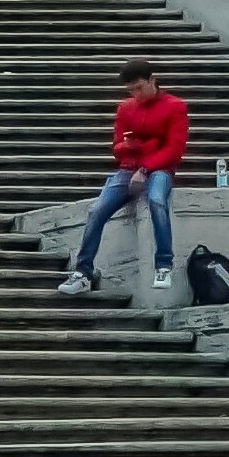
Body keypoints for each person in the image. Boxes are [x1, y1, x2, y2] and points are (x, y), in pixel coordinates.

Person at [61, 65, 190, 299]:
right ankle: (83, 272)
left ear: (153, 80)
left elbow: (174, 149)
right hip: (128, 169)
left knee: (157, 201)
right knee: (96, 211)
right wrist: (133, 146)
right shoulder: (126, 108)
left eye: (140, 88)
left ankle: (163, 265)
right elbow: (117, 149)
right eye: (131, 90)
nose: (136, 94)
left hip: (159, 169)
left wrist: (145, 166)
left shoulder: (175, 106)